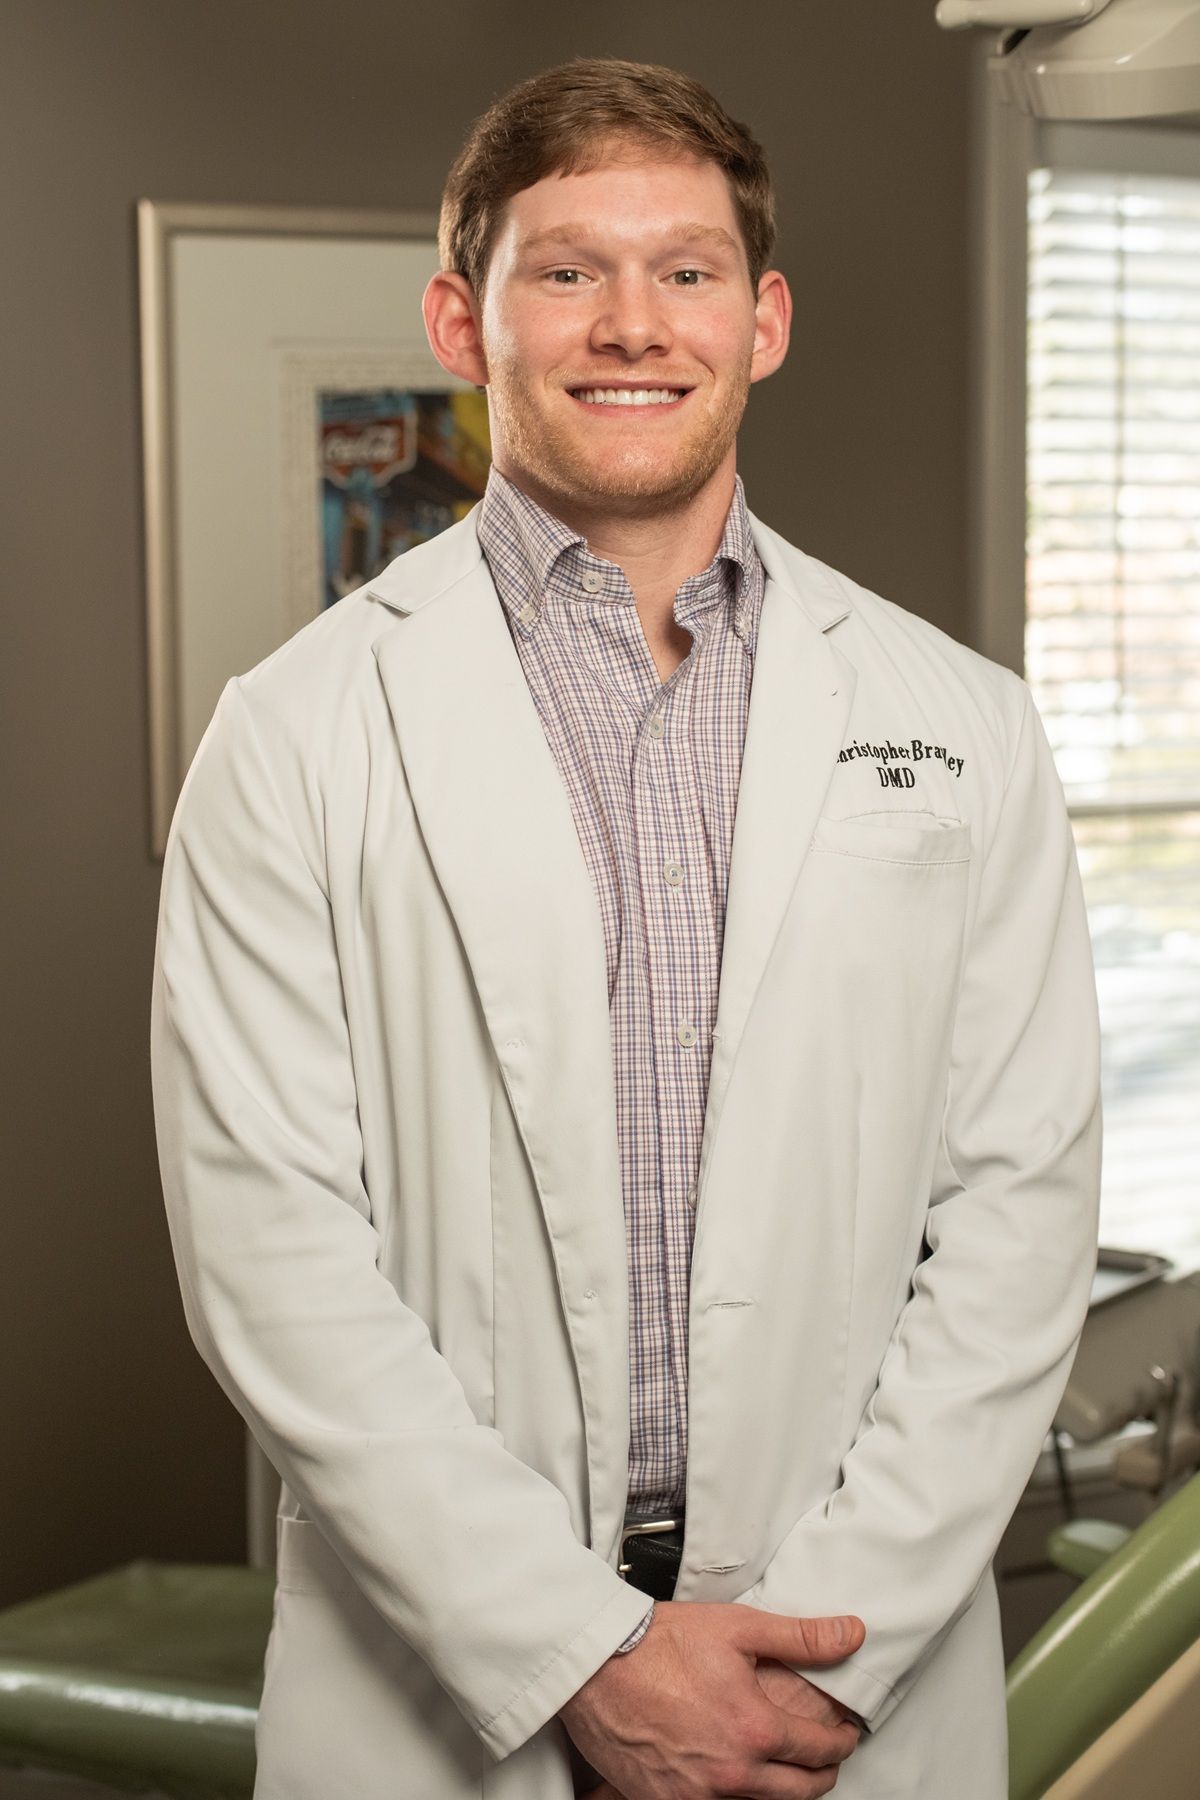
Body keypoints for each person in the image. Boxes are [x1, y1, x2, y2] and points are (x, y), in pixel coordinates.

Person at [150, 56, 1102, 1800]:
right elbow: (270, 1259)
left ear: (764, 321)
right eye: (569, 269)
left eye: (687, 269)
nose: (634, 324)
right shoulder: (291, 737)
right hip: (445, 1684)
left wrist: (827, 1656)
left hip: (835, 1678)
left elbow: (1020, 1216)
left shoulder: (963, 724)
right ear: (463, 320)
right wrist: (572, 1653)